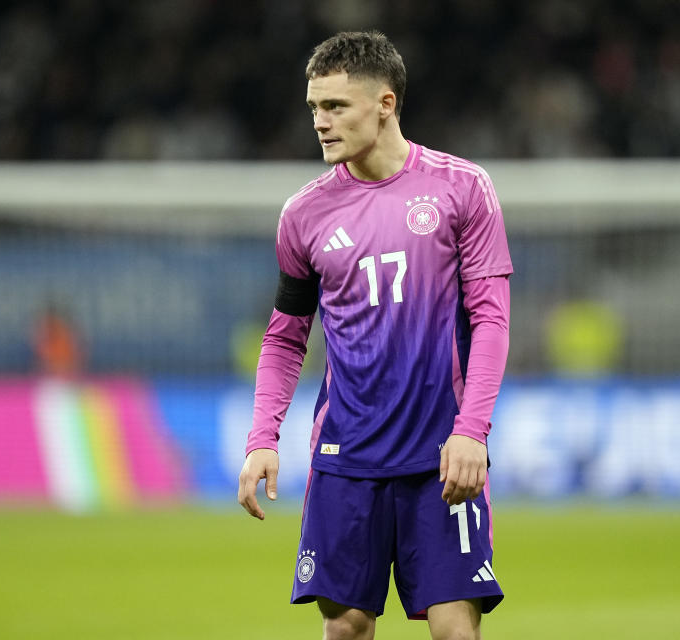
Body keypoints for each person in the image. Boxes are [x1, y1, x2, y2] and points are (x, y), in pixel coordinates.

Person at [238, 31, 512, 640]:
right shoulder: (303, 215)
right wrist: (262, 438)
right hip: (346, 458)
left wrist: (471, 430)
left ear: (385, 104)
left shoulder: (461, 189)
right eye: (314, 107)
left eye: (335, 106)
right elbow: (285, 338)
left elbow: (492, 320)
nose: (320, 122)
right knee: (346, 629)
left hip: (441, 456)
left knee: (454, 631)